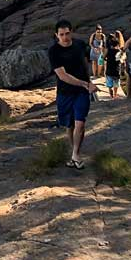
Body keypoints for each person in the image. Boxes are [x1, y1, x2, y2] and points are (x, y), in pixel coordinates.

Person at [48, 19, 98, 169]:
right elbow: (62, 75)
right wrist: (86, 83)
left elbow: (87, 62)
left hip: (81, 93)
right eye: (61, 34)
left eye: (67, 33)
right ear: (56, 35)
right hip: (65, 93)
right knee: (69, 126)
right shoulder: (54, 51)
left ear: (72, 32)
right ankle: (74, 153)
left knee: (80, 123)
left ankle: (76, 154)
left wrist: (89, 80)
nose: (65, 37)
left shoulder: (80, 45)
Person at [104, 32, 123, 98]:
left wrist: (103, 58)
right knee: (116, 81)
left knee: (109, 80)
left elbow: (104, 55)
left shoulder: (108, 49)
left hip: (109, 65)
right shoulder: (118, 50)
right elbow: (121, 58)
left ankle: (110, 91)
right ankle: (115, 94)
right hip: (117, 67)